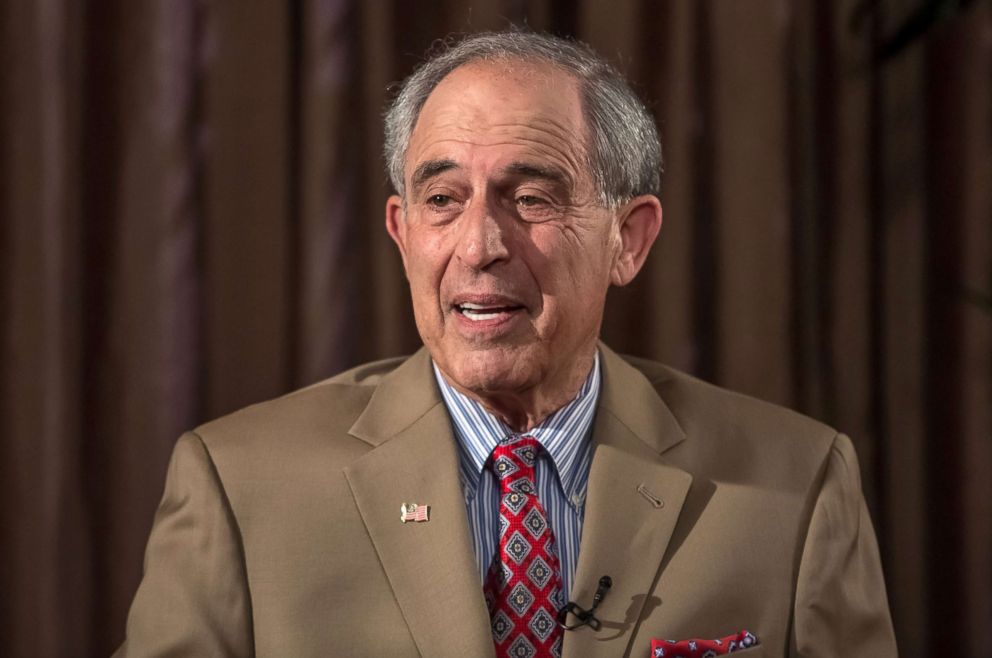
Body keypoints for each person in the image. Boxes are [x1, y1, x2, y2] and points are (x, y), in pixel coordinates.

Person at [115, 31, 896, 657]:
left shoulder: (796, 485)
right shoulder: (240, 485)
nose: (481, 243)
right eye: (443, 200)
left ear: (629, 239)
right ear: (402, 233)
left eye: (531, 198)